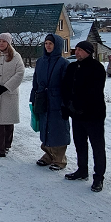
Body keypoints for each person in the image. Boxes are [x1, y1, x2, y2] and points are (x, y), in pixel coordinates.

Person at [60, 41, 107, 192]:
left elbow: (94, 91)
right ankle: (82, 170)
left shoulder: (97, 68)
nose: (77, 52)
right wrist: (67, 106)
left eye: (81, 50)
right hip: (76, 114)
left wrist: (81, 106)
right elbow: (66, 88)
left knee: (97, 146)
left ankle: (99, 177)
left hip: (94, 114)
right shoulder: (72, 66)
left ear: (88, 52)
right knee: (80, 143)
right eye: (77, 49)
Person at [30, 34, 70, 170]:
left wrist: (65, 104)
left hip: (57, 100)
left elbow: (67, 86)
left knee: (58, 129)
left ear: (56, 45)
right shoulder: (41, 61)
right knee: (45, 127)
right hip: (42, 98)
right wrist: (33, 98)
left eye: (50, 44)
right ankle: (48, 154)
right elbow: (35, 81)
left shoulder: (63, 63)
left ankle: (59, 159)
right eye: (46, 43)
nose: (48, 46)